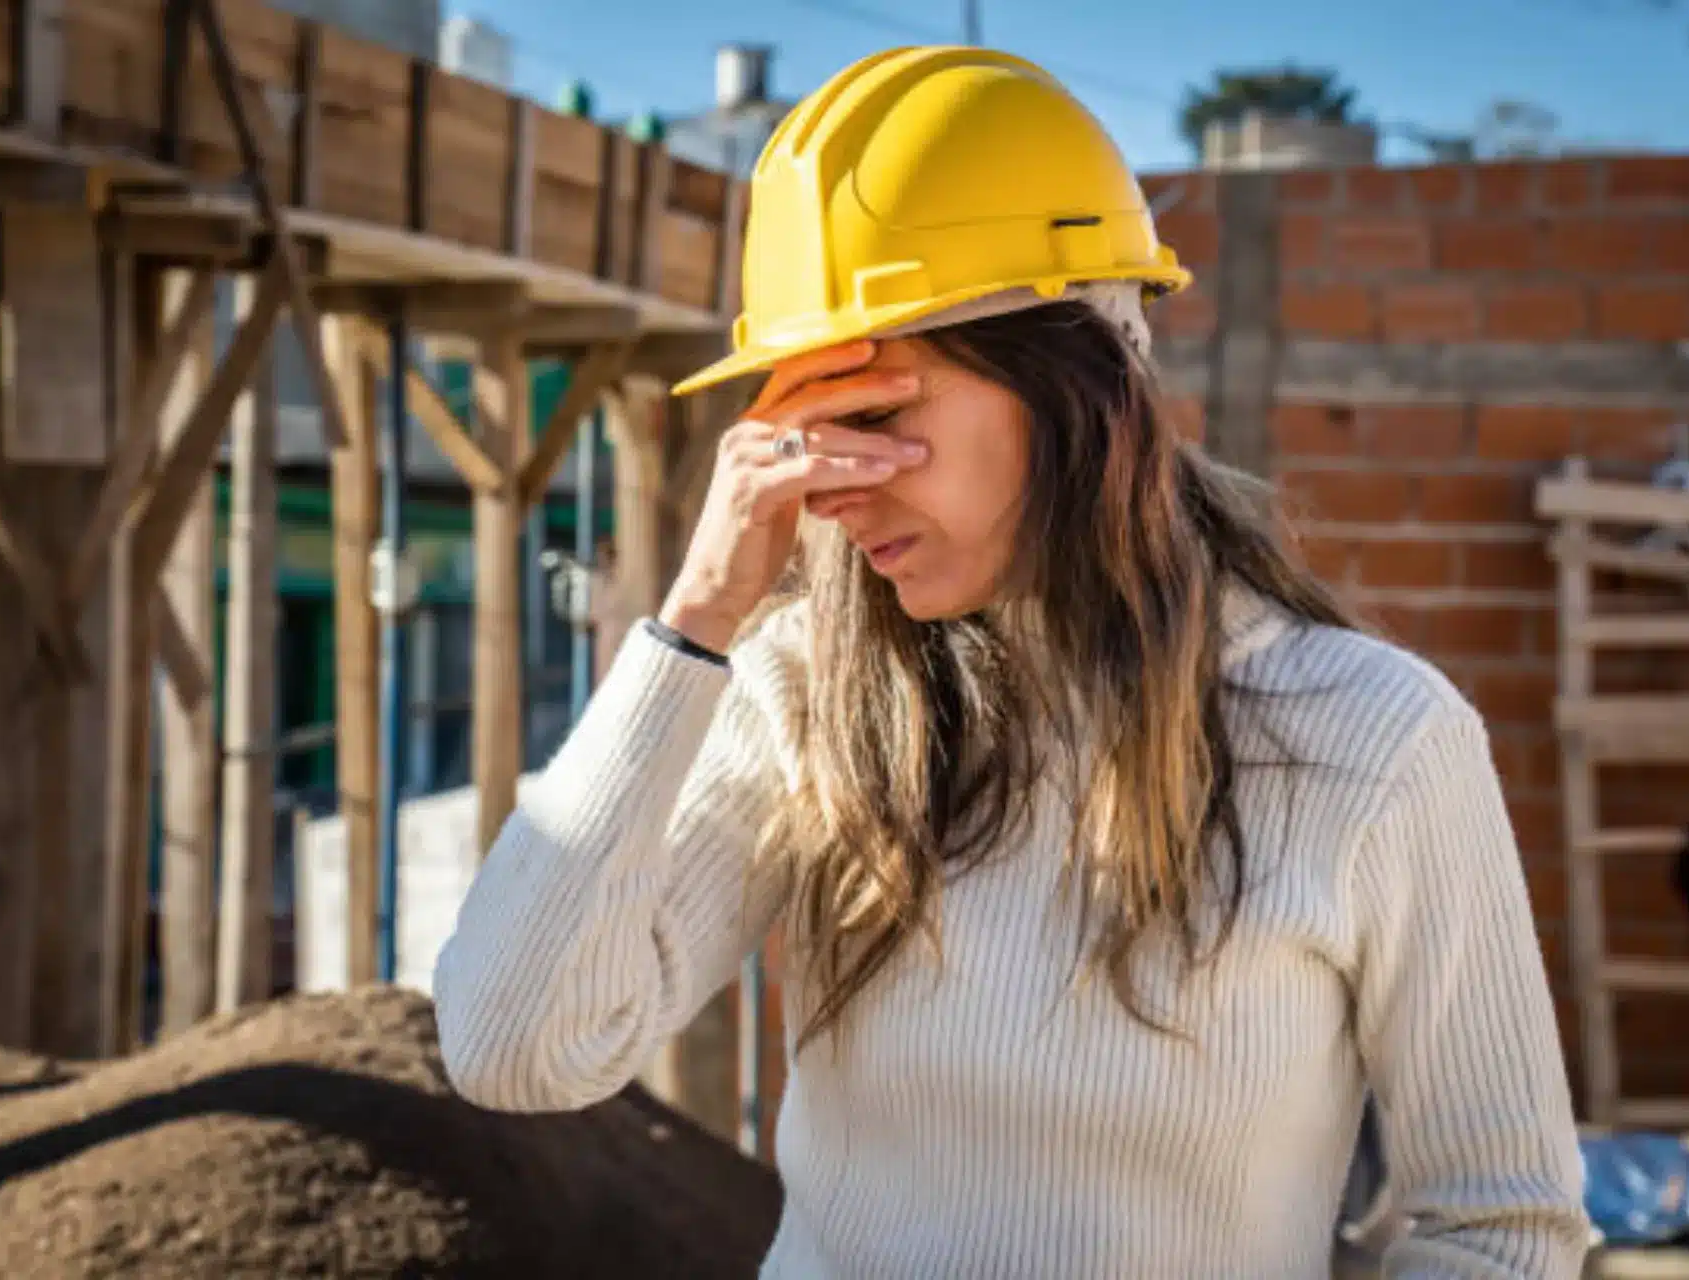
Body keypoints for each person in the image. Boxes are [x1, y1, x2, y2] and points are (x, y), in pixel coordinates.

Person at [433, 45, 1590, 1278]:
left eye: (876, 417)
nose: (832, 493)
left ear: (1077, 385)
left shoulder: (1371, 739)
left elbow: (1498, 1224)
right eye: (805, 430)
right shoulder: (804, 695)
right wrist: (695, 620)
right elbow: (514, 1042)